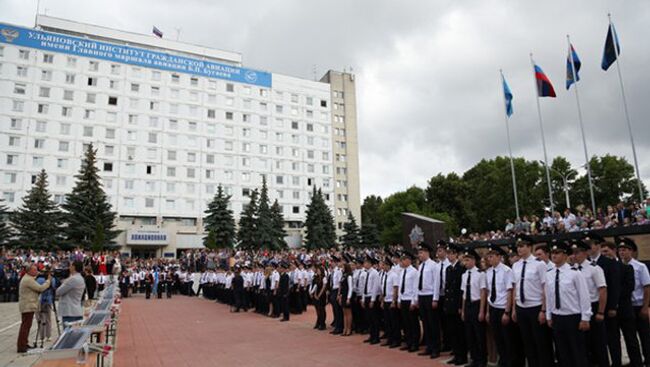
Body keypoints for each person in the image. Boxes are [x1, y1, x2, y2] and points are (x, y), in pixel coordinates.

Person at [545, 240, 591, 367]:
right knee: (562, 352)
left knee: (577, 351)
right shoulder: (549, 274)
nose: (554, 255)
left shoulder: (575, 273)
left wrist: (585, 317)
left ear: (565, 255)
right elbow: (549, 297)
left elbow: (584, 296)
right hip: (557, 317)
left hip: (573, 317)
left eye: (557, 253)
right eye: (552, 252)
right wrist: (549, 316)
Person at [512, 235, 553, 367]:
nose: (519, 249)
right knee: (527, 342)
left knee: (541, 342)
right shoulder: (516, 265)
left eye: (522, 246)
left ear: (529, 247)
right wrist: (514, 309)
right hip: (521, 306)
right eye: (518, 246)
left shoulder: (539, 264)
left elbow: (545, 288)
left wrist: (543, 310)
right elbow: (515, 288)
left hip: (536, 306)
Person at [585, 232, 621, 367]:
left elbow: (614, 286)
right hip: (593, 306)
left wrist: (612, 306)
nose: (587, 248)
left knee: (612, 337)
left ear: (598, 245)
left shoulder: (608, 263)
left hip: (607, 307)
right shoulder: (585, 264)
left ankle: (616, 362)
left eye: (590, 245)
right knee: (595, 339)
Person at [571, 239, 608, 367]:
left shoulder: (594, 269)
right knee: (582, 342)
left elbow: (602, 290)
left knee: (597, 342)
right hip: (578, 308)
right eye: (573, 252)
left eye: (577, 252)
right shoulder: (572, 269)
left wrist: (600, 312)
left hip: (593, 306)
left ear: (586, 253)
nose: (574, 255)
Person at [616, 237, 650, 366]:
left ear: (631, 251)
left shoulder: (640, 267)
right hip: (626, 306)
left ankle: (648, 359)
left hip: (638, 305)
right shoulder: (618, 266)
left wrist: (645, 307)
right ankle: (635, 361)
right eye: (620, 250)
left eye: (624, 250)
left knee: (644, 335)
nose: (622, 253)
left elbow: (647, 287)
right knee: (630, 337)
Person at [484, 244, 514, 367]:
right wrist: (487, 311)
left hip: (503, 307)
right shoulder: (489, 272)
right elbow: (489, 293)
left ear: (498, 256)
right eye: (488, 257)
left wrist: (507, 312)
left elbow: (509, 291)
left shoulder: (507, 271)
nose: (489, 259)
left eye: (491, 256)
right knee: (497, 337)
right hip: (493, 307)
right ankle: (502, 360)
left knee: (507, 337)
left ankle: (509, 361)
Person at [461, 247, 488, 367]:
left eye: (468, 260)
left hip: (477, 304)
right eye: (464, 260)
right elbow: (464, 294)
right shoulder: (464, 275)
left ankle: (482, 360)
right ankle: (474, 358)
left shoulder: (480, 274)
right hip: (468, 305)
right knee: (469, 334)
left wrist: (482, 311)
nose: (465, 262)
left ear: (473, 260)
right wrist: (463, 310)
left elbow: (483, 293)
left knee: (479, 335)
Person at [416, 242, 442, 359]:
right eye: (419, 253)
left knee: (433, 324)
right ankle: (429, 346)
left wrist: (435, 299)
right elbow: (418, 283)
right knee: (425, 323)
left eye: (421, 252)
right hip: (422, 296)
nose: (419, 255)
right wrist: (417, 298)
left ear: (427, 253)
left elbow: (436, 283)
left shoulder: (433, 265)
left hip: (430, 296)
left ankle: (436, 348)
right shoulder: (421, 266)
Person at [17, 264, 51, 353]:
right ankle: (21, 346)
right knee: (25, 326)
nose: (36, 271)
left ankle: (23, 343)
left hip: (27, 305)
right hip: (28, 305)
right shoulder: (28, 279)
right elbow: (40, 288)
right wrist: (48, 281)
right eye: (35, 270)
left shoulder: (28, 278)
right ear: (29, 271)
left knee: (26, 325)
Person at [397, 249, 419, 353]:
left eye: (404, 259)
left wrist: (414, 301)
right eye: (402, 260)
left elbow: (415, 287)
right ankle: (408, 341)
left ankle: (415, 343)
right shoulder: (402, 272)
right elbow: (401, 286)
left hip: (410, 299)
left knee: (413, 322)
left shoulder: (414, 271)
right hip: (403, 299)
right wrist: (399, 299)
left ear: (409, 260)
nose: (402, 261)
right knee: (405, 322)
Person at [56, 261, 86, 326]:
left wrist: (63, 282)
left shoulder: (73, 279)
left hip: (70, 311)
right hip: (76, 309)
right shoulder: (80, 278)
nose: (69, 267)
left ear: (73, 267)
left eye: (70, 266)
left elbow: (58, 292)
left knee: (69, 334)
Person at [360, 256, 380, 344]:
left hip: (373, 297)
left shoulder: (374, 273)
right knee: (369, 318)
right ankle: (371, 335)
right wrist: (363, 299)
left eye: (366, 262)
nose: (364, 264)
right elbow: (364, 286)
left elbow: (375, 287)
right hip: (366, 296)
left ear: (370, 264)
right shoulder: (365, 273)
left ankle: (376, 337)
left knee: (374, 318)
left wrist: (372, 300)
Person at [339, 262, 353, 336]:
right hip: (343, 295)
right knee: (344, 313)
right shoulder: (343, 276)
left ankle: (349, 329)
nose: (342, 268)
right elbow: (341, 287)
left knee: (348, 313)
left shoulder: (349, 276)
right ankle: (345, 328)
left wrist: (348, 298)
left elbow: (350, 288)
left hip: (347, 295)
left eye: (343, 267)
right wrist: (340, 296)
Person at [311, 266, 327, 330]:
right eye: (317, 271)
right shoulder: (316, 278)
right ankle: (318, 322)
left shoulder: (324, 278)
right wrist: (315, 294)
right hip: (316, 295)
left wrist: (319, 295)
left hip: (322, 295)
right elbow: (315, 287)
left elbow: (324, 287)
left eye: (319, 271)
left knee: (322, 310)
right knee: (318, 309)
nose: (318, 272)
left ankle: (323, 324)